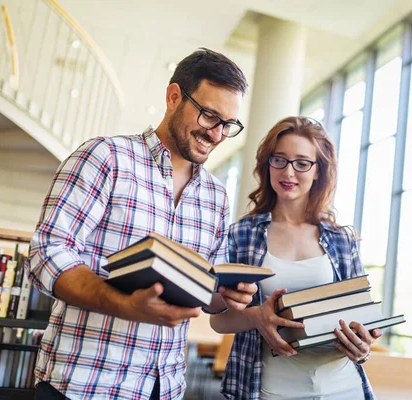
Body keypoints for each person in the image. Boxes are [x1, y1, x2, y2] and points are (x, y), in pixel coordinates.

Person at [26, 48, 258, 400]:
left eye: (228, 124)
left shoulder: (216, 195)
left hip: (163, 388)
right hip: (83, 386)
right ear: (174, 96)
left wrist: (226, 295)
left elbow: (207, 291)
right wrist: (125, 305)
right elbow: (46, 254)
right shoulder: (105, 157)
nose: (217, 134)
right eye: (210, 116)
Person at [210, 117, 381, 400]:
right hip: (271, 388)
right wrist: (255, 316)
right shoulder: (242, 235)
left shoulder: (341, 239)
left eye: (302, 163)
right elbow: (218, 320)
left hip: (343, 388)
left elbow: (364, 315)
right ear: (268, 165)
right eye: (280, 160)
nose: (288, 172)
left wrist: (364, 349)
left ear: (318, 171)